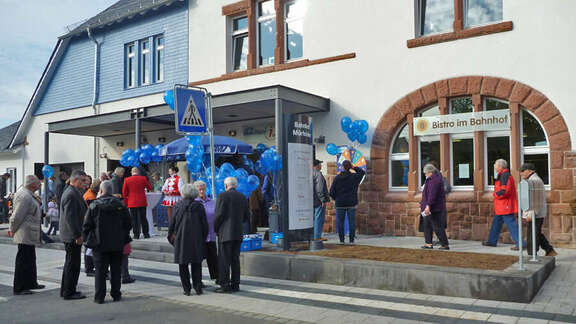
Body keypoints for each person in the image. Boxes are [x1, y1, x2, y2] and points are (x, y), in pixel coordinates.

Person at [82, 180, 133, 304]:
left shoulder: (94, 205)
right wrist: (122, 235)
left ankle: (99, 297)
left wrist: (90, 238)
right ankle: (116, 294)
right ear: (112, 191)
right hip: (117, 242)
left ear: (100, 191)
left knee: (100, 271)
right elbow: (129, 223)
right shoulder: (120, 205)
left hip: (99, 244)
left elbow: (87, 225)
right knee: (116, 270)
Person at [168, 184, 208, 296]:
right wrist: (203, 237)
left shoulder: (177, 205)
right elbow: (204, 225)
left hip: (181, 238)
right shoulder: (199, 206)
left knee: (183, 264)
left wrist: (171, 237)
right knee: (196, 264)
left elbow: (172, 224)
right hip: (196, 238)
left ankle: (187, 289)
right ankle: (198, 287)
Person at [9, 175, 45, 295]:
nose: (40, 184)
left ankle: (31, 282)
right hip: (24, 232)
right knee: (23, 260)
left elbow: (35, 208)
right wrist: (12, 229)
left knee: (30, 259)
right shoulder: (25, 196)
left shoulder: (29, 194)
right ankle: (19, 287)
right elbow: (17, 215)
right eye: (38, 183)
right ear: (32, 184)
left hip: (30, 231)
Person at [214, 177, 250, 293]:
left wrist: (216, 229)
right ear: (236, 185)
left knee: (224, 260)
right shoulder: (242, 197)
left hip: (225, 232)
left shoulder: (222, 196)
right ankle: (236, 284)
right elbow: (246, 217)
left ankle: (225, 285)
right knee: (235, 260)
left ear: (225, 185)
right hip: (237, 232)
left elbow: (218, 215)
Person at [482, 159, 524, 250]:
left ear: (500, 167)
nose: (494, 167)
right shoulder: (503, 175)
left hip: (505, 206)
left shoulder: (505, 176)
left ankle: (521, 244)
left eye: (495, 165)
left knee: (511, 225)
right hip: (502, 206)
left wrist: (494, 196)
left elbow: (504, 191)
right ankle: (492, 241)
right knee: (496, 224)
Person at [59, 170, 88, 300]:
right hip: (72, 235)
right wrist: (77, 235)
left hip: (71, 234)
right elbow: (70, 218)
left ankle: (66, 289)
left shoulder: (74, 192)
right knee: (73, 264)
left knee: (71, 263)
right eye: (82, 180)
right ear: (74, 180)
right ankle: (69, 291)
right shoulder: (71, 194)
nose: (85, 183)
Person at [520, 163, 558, 257]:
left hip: (535, 213)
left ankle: (532, 255)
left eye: (523, 171)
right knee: (536, 233)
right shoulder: (533, 180)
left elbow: (536, 200)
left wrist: (531, 214)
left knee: (532, 235)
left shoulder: (534, 181)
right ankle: (549, 250)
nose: (521, 173)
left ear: (530, 171)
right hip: (535, 212)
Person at [329, 160, 365, 244]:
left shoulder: (337, 178)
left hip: (340, 203)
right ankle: (351, 240)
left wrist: (336, 198)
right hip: (351, 203)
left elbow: (331, 191)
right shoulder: (354, 177)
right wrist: (353, 167)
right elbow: (362, 172)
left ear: (343, 167)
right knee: (351, 222)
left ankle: (341, 240)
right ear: (350, 167)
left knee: (340, 223)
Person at [194, 180, 218, 285]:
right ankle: (198, 281)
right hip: (199, 236)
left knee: (213, 258)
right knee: (198, 260)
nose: (202, 191)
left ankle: (217, 278)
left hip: (211, 235)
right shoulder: (194, 203)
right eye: (200, 189)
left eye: (203, 189)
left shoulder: (212, 201)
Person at [420, 164, 449, 250]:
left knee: (437, 227)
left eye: (426, 173)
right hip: (430, 207)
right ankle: (428, 243)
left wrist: (428, 206)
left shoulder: (434, 180)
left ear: (430, 172)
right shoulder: (430, 180)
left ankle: (445, 244)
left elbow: (432, 195)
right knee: (427, 226)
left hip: (434, 208)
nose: (425, 175)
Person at [123, 167, 152, 239]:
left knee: (134, 219)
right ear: (138, 172)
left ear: (131, 172)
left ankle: (136, 234)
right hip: (142, 201)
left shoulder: (127, 180)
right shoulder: (143, 178)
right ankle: (146, 233)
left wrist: (126, 201)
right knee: (143, 218)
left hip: (132, 202)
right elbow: (150, 187)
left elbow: (124, 193)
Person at [83, 179, 101, 277]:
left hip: (88, 222)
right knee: (89, 247)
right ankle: (89, 268)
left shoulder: (89, 194)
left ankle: (89, 268)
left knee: (89, 248)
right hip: (89, 223)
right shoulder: (91, 197)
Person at [312, 159, 330, 241]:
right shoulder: (318, 174)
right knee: (319, 218)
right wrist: (322, 199)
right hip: (318, 200)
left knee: (314, 218)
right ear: (317, 165)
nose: (321, 165)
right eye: (320, 164)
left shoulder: (310, 173)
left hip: (312, 199)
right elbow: (319, 188)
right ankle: (317, 236)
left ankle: (314, 235)